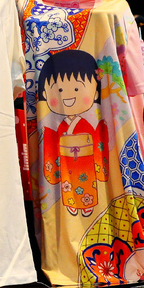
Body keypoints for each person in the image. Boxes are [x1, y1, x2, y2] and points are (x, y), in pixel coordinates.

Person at [38, 49, 108, 216]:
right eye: (60, 90)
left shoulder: (86, 125)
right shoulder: (61, 125)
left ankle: (87, 203)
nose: (68, 96)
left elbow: (96, 143)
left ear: (95, 93)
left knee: (86, 183)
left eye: (77, 89)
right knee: (67, 183)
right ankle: (71, 203)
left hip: (85, 162)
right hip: (66, 162)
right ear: (45, 94)